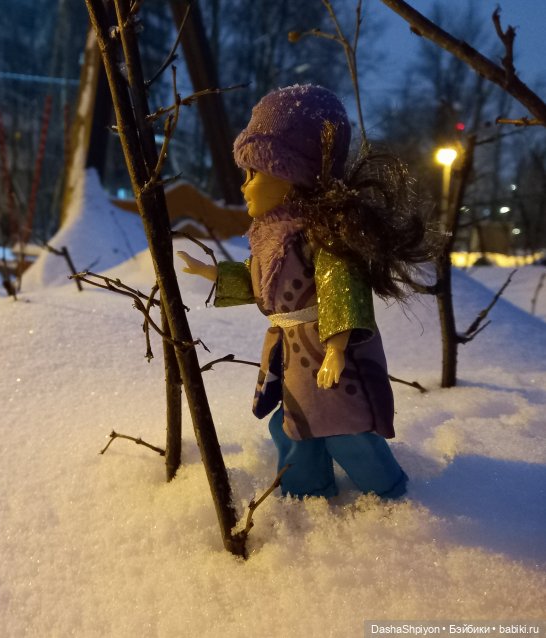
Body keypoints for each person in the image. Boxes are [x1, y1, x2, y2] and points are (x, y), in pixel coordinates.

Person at [178, 84, 433, 499]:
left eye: (254, 174)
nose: (244, 186)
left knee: (343, 428)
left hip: (327, 354)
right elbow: (265, 282)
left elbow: (341, 288)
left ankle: (386, 492)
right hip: (294, 353)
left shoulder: (324, 235)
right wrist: (214, 273)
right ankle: (305, 492)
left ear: (292, 174)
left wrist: (336, 348)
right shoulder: (270, 235)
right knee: (293, 424)